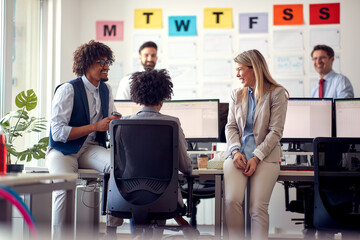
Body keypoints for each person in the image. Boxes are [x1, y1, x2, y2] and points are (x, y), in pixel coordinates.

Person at [46, 40, 123, 240]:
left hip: (90, 148)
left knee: (119, 165)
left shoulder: (106, 91)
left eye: (108, 62)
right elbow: (58, 133)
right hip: (63, 151)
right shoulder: (68, 90)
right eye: (101, 62)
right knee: (64, 187)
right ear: (87, 64)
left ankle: (112, 228)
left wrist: (114, 122)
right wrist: (95, 127)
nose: (106, 66)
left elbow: (106, 123)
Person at [123, 68, 199, 238]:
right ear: (163, 98)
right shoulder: (171, 124)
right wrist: (191, 166)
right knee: (160, 197)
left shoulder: (121, 125)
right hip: (163, 198)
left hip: (128, 195)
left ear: (136, 96)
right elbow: (185, 167)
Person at [224, 49, 289, 240]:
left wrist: (257, 156)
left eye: (240, 69)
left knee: (257, 208)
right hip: (238, 155)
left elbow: (276, 131)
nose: (237, 74)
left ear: (255, 68)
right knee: (231, 200)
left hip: (265, 157)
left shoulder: (276, 94)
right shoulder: (237, 94)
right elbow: (231, 126)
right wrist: (235, 151)